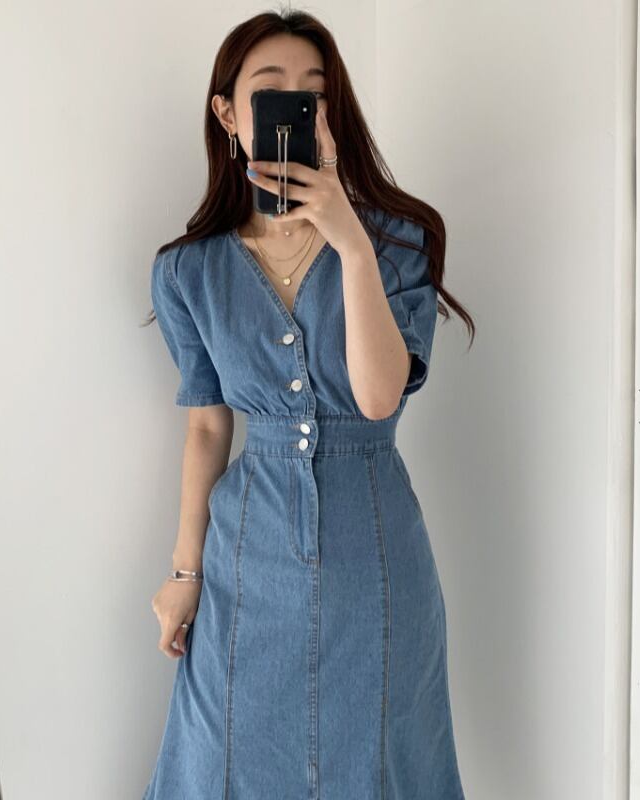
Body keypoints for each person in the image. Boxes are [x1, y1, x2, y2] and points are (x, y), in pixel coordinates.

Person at [141, 9, 474, 800]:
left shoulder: (397, 242)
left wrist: (350, 242)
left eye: (314, 92)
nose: (297, 103)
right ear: (229, 113)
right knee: (224, 755)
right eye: (272, 89)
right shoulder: (188, 271)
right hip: (244, 561)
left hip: (374, 554)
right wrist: (184, 572)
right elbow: (207, 426)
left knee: (380, 754)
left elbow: (378, 398)